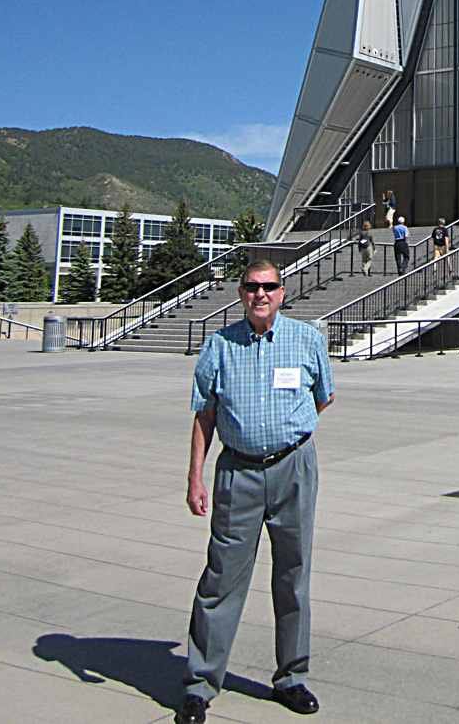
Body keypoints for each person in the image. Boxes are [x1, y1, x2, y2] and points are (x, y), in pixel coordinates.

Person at [176, 259, 335, 724]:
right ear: (241, 293)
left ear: (283, 292)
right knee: (221, 577)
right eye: (252, 287)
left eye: (269, 287)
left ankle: (292, 676)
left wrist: (289, 435)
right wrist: (195, 477)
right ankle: (200, 682)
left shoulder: (306, 340)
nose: (260, 294)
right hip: (238, 474)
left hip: (293, 469)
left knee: (293, 573)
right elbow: (204, 415)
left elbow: (323, 396)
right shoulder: (219, 347)